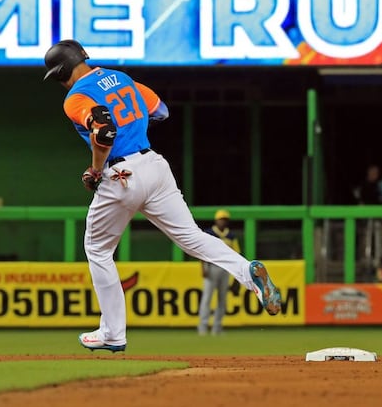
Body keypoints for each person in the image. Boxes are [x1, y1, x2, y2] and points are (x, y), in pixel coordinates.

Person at [43, 39, 282, 352]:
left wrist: (96, 170)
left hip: (121, 173)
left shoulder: (76, 97)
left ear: (61, 73)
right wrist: (134, 129)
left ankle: (113, 333)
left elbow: (103, 130)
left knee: (98, 249)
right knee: (193, 237)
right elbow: (160, 111)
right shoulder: (123, 78)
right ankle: (247, 273)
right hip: (154, 165)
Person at [197, 209, 241, 336]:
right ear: (216, 220)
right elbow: (202, 250)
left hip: (225, 268)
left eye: (225, 219)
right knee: (207, 298)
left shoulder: (231, 236)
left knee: (222, 299)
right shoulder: (209, 233)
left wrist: (236, 274)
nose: (223, 221)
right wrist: (203, 267)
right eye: (221, 219)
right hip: (211, 267)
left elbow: (236, 254)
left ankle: (217, 327)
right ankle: (203, 327)